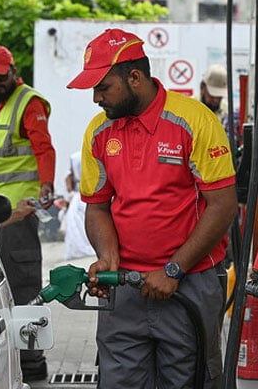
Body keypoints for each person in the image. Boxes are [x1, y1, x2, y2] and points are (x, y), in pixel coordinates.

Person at [66, 28, 238, 388]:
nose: (96, 98)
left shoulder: (194, 120)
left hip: (189, 283)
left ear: (135, 77)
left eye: (103, 87)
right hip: (125, 288)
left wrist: (174, 269)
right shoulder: (99, 132)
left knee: (187, 379)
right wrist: (107, 258)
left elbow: (222, 207)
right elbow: (97, 207)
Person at [0, 44, 56, 382]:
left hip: (19, 215)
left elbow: (43, 147)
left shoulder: (28, 101)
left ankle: (32, 365)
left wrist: (46, 187)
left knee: (22, 288)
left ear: (12, 71)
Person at [63, 151, 95, 260]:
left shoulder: (75, 159)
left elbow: (68, 177)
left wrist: (70, 192)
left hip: (79, 197)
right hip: (88, 194)